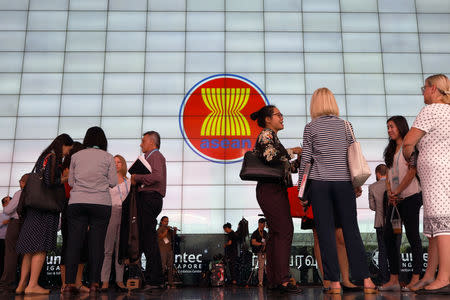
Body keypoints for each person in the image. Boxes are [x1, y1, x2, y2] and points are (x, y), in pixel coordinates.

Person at [297, 88, 377, 294]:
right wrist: (355, 184)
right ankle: (367, 280)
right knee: (351, 231)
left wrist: (301, 192)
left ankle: (333, 283)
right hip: (343, 184)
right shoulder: (346, 125)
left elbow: (306, 161)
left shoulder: (310, 127)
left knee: (326, 234)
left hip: (319, 184)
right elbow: (353, 157)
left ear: (314, 104)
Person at [403, 74, 450, 293]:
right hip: (443, 171)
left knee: (441, 224)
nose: (423, 92)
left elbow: (409, 140)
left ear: (432, 89)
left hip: (436, 173)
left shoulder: (431, 110)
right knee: (434, 226)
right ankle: (430, 275)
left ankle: (444, 277)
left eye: (424, 88)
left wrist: (409, 153)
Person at [250, 105, 303, 294]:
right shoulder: (266, 134)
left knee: (277, 233)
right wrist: (294, 150)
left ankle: (275, 279)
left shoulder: (273, 138)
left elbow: (284, 168)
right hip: (270, 189)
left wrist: (298, 161)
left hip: (273, 189)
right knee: (284, 230)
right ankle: (282, 279)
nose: (282, 117)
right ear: (267, 119)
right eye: (278, 115)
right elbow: (270, 156)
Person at [16, 134, 73, 295]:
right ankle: (33, 285)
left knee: (29, 249)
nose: (68, 153)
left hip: (34, 208)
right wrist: (66, 178)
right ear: (63, 145)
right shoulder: (54, 157)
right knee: (41, 247)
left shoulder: (44, 157)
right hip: (46, 208)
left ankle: (22, 284)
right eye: (68, 149)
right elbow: (49, 182)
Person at [64, 127, 117, 295]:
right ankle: (95, 283)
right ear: (103, 141)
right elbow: (113, 182)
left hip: (77, 203)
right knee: (97, 244)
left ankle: (69, 283)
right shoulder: (108, 157)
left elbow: (71, 182)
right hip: (100, 203)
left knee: (74, 243)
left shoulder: (75, 156)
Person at [380, 116, 423, 292]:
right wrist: (391, 192)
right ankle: (394, 279)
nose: (389, 130)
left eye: (392, 126)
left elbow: (413, 171)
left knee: (413, 238)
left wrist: (398, 191)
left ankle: (416, 278)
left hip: (411, 197)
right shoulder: (390, 150)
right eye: (387, 127)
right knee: (388, 237)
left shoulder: (409, 146)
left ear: (400, 127)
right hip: (394, 201)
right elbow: (389, 175)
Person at [130, 131, 167, 290]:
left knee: (149, 239)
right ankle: (154, 278)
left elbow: (157, 177)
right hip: (148, 198)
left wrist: (137, 177)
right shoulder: (149, 158)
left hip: (150, 198)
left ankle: (155, 279)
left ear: (152, 142)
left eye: (143, 141)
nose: (141, 144)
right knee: (147, 238)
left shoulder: (156, 156)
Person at [59, 142, 89, 293]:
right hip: (70, 205)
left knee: (82, 245)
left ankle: (77, 282)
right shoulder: (67, 167)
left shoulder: (81, 167)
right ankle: (65, 283)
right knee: (68, 245)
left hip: (81, 206)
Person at [101, 155, 130, 292]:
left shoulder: (128, 182)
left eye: (119, 162)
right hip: (110, 213)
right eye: (114, 162)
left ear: (123, 164)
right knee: (108, 249)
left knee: (121, 249)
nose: (117, 164)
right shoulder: (106, 181)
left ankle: (120, 280)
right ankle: (105, 281)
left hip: (124, 215)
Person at [0, 174, 28, 291]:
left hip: (16, 224)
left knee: (11, 254)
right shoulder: (36, 193)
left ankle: (7, 283)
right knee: (26, 255)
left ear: (22, 182)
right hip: (28, 225)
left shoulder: (19, 193)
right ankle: (24, 283)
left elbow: (7, 210)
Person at [368, 164, 390, 285]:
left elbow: (372, 207)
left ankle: (384, 279)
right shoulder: (393, 185)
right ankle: (397, 279)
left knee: (382, 251)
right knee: (395, 250)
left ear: (377, 173)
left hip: (380, 223)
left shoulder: (372, 187)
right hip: (394, 223)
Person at [157, 216, 178, 288]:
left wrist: (174, 230)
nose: (166, 223)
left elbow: (173, 237)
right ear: (161, 222)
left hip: (169, 250)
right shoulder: (159, 229)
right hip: (162, 250)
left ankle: (170, 282)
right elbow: (161, 236)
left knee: (170, 267)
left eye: (167, 221)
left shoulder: (168, 230)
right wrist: (166, 230)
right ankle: (160, 282)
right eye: (165, 221)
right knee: (162, 266)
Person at [250, 218, 268, 287]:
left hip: (266, 251)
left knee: (267, 267)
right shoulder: (255, 233)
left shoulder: (265, 232)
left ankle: (268, 280)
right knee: (261, 267)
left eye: (264, 224)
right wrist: (261, 244)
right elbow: (253, 242)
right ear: (260, 224)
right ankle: (260, 282)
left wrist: (265, 245)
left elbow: (266, 241)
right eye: (263, 224)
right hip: (260, 252)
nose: (264, 225)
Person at [0, 196, 10, 276]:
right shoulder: (0, 215)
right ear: (3, 205)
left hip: (13, 241)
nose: (9, 204)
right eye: (7, 202)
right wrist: (3, 223)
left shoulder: (17, 216)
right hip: (1, 240)